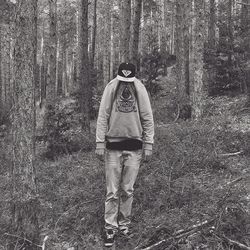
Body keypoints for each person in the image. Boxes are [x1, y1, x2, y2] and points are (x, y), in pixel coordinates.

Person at [95, 62, 154, 247]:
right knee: (112, 191)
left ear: (134, 77)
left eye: (128, 79)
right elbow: (103, 115)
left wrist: (149, 143)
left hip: (134, 146)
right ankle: (110, 228)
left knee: (128, 190)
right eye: (123, 79)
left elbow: (147, 116)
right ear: (118, 76)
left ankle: (124, 225)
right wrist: (99, 142)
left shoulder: (140, 88)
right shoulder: (111, 87)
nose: (125, 82)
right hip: (112, 146)